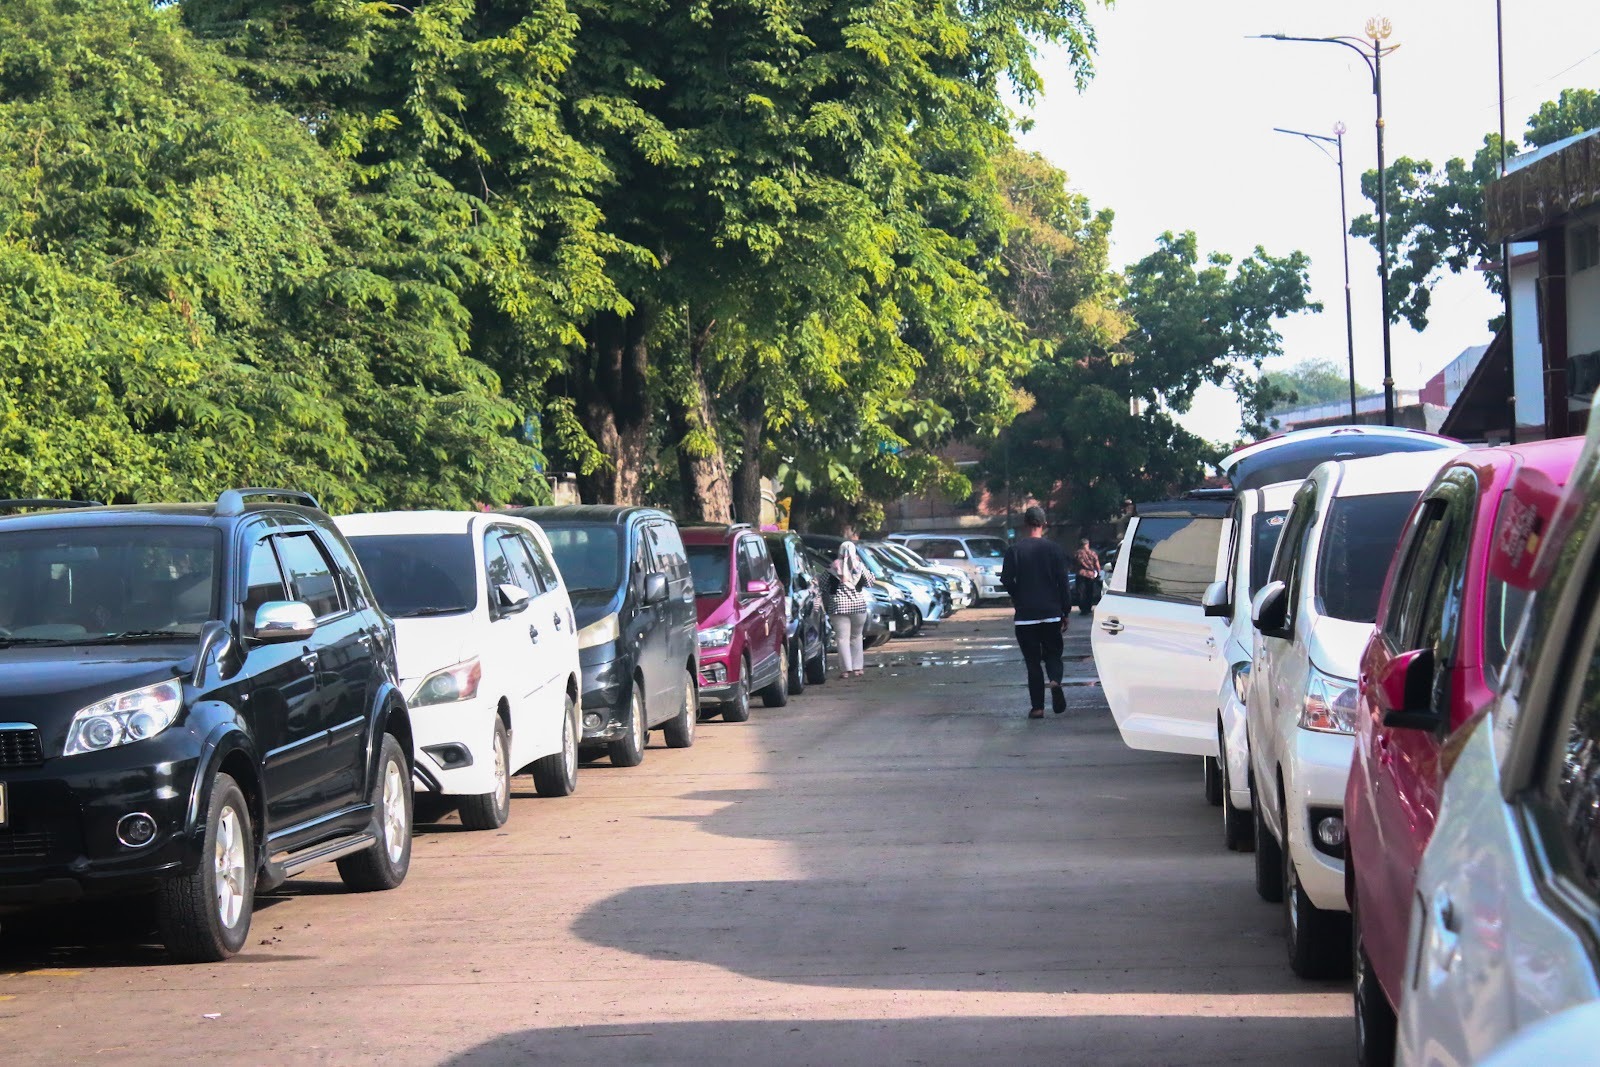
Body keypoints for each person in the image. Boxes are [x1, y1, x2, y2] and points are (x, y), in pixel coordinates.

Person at [1000, 505, 1074, 719]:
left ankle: (1037, 708)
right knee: (1053, 655)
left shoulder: (1014, 550)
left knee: (1032, 663)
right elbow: (1063, 583)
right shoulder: (1054, 550)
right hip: (1051, 612)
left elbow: (1006, 580)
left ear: (1025, 524)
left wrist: (1018, 596)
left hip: (1025, 616)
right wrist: (1065, 611)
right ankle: (1055, 681)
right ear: (1044, 524)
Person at [820, 541, 871, 678]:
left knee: (842, 638)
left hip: (838, 607)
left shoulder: (832, 567)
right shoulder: (859, 566)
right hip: (858, 607)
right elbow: (870, 582)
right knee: (857, 636)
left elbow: (822, 585)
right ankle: (858, 668)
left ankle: (845, 670)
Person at [1073, 538, 1102, 616]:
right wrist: (1098, 572)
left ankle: (1083, 609)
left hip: (1081, 574)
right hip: (1090, 575)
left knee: (1081, 592)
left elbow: (1074, 564)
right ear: (1088, 544)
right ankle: (1088, 608)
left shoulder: (1078, 554)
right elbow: (1097, 564)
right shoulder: (1093, 553)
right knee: (1089, 592)